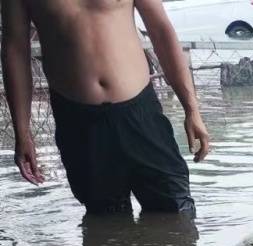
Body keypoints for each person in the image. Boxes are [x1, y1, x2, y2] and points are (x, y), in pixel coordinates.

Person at [1, 0, 210, 214]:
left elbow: (161, 30)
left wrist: (192, 109)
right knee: (104, 225)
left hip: (141, 113)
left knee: (176, 214)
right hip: (78, 121)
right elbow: (15, 50)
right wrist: (23, 133)